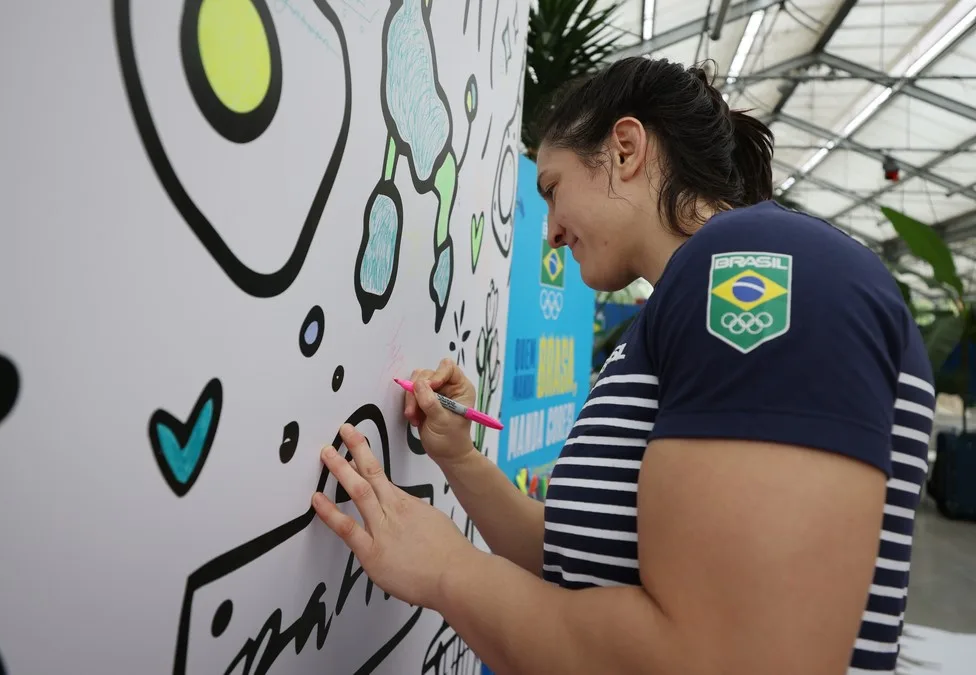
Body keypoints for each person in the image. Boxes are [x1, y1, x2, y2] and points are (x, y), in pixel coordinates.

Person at [310, 57, 933, 675]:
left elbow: (728, 658)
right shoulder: (668, 317)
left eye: (553, 189)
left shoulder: (753, 262)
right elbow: (572, 562)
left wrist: (449, 569)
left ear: (626, 149)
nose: (550, 231)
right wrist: (460, 457)